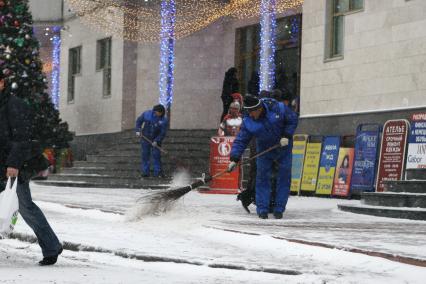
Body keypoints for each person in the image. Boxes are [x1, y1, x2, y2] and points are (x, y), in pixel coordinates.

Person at [0, 76, 63, 266]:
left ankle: (51, 247)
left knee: (26, 208)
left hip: (14, 166)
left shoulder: (14, 105)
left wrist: (13, 164)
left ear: (2, 82)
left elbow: (22, 138)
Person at [227, 95, 298, 219]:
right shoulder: (248, 121)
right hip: (264, 149)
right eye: (248, 112)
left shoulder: (278, 108)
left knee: (284, 177)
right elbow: (241, 140)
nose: (251, 115)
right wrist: (234, 158)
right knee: (262, 177)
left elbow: (292, 119)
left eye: (252, 112)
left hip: (283, 145)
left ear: (258, 108)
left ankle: (279, 209)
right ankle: (262, 209)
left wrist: (287, 135)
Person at [135, 104, 168, 178]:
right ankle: (145, 172)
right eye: (156, 112)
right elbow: (139, 121)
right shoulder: (147, 114)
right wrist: (138, 130)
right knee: (145, 155)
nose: (157, 114)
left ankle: (158, 172)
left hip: (156, 139)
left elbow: (162, 133)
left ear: (162, 112)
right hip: (145, 138)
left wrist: (157, 140)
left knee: (156, 156)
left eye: (159, 113)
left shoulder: (164, 120)